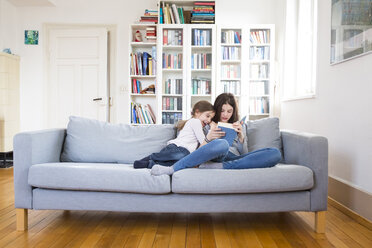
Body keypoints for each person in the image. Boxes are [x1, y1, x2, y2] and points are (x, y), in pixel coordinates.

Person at [151, 93, 281, 176]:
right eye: (222, 110)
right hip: (212, 155)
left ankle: (220, 167)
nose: (225, 115)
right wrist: (209, 137)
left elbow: (242, 154)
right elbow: (195, 152)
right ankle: (173, 169)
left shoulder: (238, 126)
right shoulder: (205, 124)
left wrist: (241, 137)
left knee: (274, 153)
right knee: (222, 144)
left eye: (229, 111)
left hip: (230, 158)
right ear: (217, 110)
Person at [133, 100, 215, 169]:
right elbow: (203, 141)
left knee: (178, 164)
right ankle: (151, 157)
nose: (209, 120)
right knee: (183, 156)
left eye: (211, 118)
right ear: (197, 112)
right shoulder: (195, 121)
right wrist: (211, 130)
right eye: (207, 116)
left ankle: (149, 164)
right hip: (178, 148)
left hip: (183, 151)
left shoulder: (199, 125)